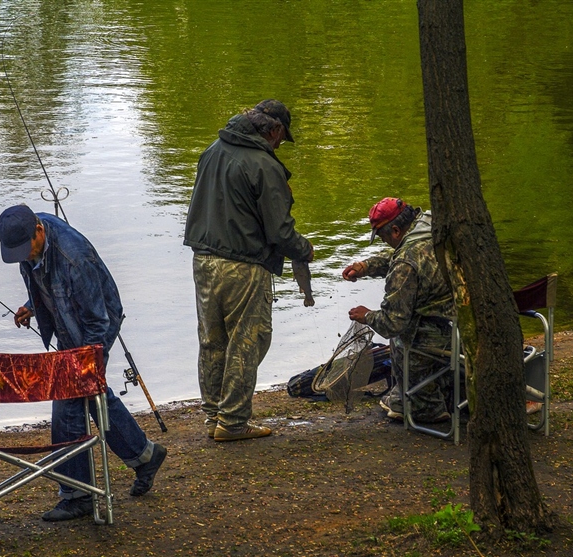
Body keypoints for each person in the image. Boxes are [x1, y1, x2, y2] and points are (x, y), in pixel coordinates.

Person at [0, 204, 166, 522]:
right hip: (67, 319)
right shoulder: (26, 245)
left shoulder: (74, 256)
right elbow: (45, 282)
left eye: (26, 249)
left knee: (69, 398)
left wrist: (90, 361)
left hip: (96, 323)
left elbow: (97, 318)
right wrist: (31, 305)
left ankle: (77, 495)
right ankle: (145, 456)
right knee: (91, 394)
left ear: (39, 231)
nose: (23, 257)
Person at [184, 99, 314, 442]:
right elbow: (280, 232)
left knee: (212, 341)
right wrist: (304, 249)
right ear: (273, 130)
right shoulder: (263, 165)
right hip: (243, 264)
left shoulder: (213, 150)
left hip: (203, 260)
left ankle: (214, 416)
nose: (279, 146)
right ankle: (233, 422)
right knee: (248, 340)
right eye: (282, 139)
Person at [341, 197, 455, 423]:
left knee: (400, 337)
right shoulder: (430, 226)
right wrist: (365, 267)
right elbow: (401, 255)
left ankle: (425, 408)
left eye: (383, 237)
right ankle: (428, 392)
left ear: (395, 230)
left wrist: (367, 316)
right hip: (458, 325)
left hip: (433, 339)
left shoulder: (405, 264)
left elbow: (392, 323)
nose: (385, 243)